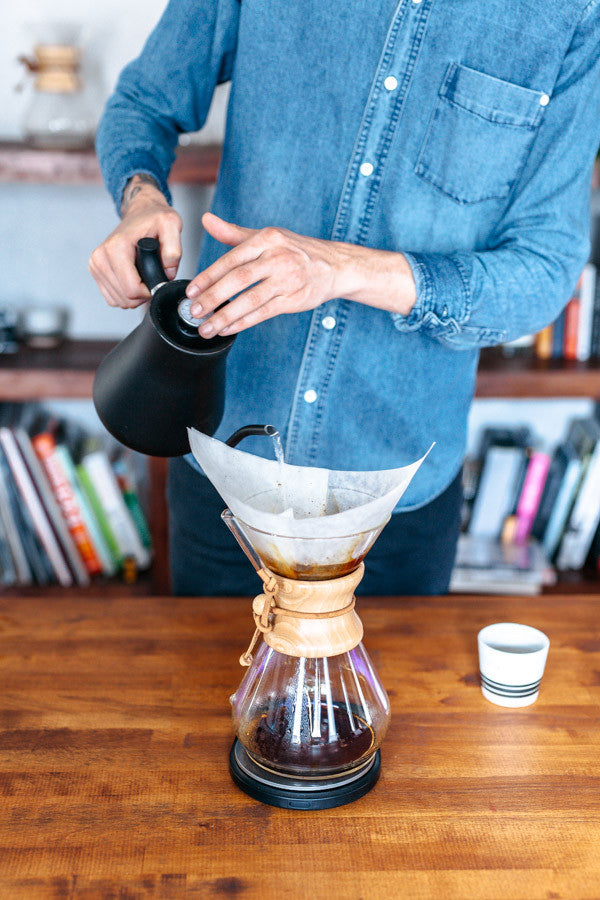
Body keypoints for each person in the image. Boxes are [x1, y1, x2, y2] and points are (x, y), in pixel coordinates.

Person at [91, 0, 600, 596]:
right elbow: (143, 103)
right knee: (204, 691)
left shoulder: (570, 14)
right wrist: (140, 196)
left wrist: (342, 269)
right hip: (225, 478)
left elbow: (542, 268)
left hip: (394, 506)